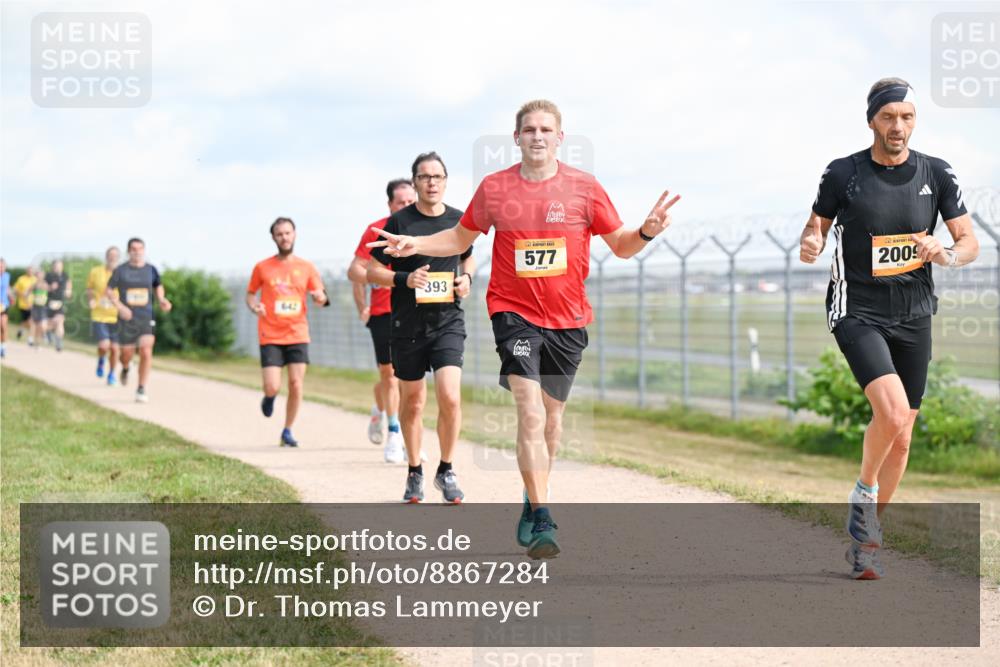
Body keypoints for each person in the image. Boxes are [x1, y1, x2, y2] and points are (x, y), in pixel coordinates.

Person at [370, 101, 678, 551]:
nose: (537, 136)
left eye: (546, 129)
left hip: (568, 320)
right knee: (530, 411)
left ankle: (532, 499)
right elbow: (460, 237)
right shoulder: (496, 189)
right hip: (513, 313)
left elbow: (622, 246)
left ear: (560, 138)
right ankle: (545, 515)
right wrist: (414, 240)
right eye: (529, 129)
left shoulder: (585, 189)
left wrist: (646, 231)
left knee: (552, 421)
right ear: (516, 138)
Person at [801, 77, 980, 579]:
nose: (897, 126)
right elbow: (814, 227)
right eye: (888, 117)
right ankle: (864, 487)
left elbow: (968, 241)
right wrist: (809, 244)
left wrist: (946, 253)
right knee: (894, 413)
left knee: (902, 437)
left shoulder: (937, 173)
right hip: (857, 310)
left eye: (906, 117)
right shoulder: (844, 174)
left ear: (914, 121)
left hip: (914, 313)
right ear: (871, 121)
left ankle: (866, 540)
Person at [368, 152, 475, 503]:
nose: (431, 182)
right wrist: (405, 277)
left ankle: (446, 468)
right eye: (424, 177)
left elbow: (467, 255)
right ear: (414, 182)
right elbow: (372, 272)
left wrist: (468, 278)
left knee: (450, 396)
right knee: (413, 403)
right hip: (407, 324)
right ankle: (415, 470)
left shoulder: (460, 219)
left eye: (438, 176)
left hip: (447, 320)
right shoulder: (399, 222)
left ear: (445, 181)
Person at [246, 217, 330, 447]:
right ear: (274, 237)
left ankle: (287, 430)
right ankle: (270, 396)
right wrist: (255, 306)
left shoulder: (307, 267)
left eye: (288, 233)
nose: (284, 237)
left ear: (294, 234)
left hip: (297, 333)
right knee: (273, 385)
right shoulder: (262, 267)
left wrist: (320, 297)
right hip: (270, 333)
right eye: (280, 234)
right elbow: (251, 294)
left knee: (295, 384)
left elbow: (322, 296)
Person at [348, 178, 415, 461]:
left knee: (406, 378)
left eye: (410, 201)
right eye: (401, 202)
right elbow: (354, 271)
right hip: (383, 312)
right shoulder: (377, 230)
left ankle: (386, 415)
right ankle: (394, 433)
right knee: (389, 375)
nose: (406, 207)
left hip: (415, 310)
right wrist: (386, 278)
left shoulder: (426, 230)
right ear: (390, 205)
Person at [108, 238, 172, 403]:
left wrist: (162, 299)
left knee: (145, 350)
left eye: (140, 249)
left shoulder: (151, 270)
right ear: (128, 251)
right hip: (126, 318)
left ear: (144, 251)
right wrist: (120, 307)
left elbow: (158, 285)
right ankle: (126, 367)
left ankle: (141, 387)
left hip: (146, 317)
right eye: (134, 249)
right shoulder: (120, 270)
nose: (137, 252)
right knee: (126, 353)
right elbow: (109, 291)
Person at [87, 247, 121, 384]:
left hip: (117, 316)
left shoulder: (123, 273)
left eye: (115, 256)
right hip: (99, 315)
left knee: (114, 348)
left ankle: (112, 373)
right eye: (110, 255)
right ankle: (101, 359)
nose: (112, 258)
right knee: (104, 346)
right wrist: (91, 299)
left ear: (118, 258)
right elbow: (89, 288)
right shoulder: (95, 271)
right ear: (106, 256)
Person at [44, 259, 72, 352]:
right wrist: (49, 287)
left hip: (59, 303)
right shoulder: (48, 276)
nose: (57, 268)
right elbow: (42, 286)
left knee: (60, 321)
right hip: (48, 303)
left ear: (62, 266)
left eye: (59, 266)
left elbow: (69, 283)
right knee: (48, 323)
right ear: (52, 267)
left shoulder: (65, 275)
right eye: (55, 266)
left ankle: (58, 342)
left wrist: (68, 291)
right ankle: (48, 333)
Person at [12, 266, 37, 344]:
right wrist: (22, 294)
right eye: (29, 270)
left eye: (31, 271)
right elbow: (15, 289)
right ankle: (22, 330)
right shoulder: (21, 279)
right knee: (27, 320)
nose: (30, 272)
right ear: (26, 271)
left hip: (32, 304)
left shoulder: (35, 279)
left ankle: (30, 339)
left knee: (30, 321)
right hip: (23, 304)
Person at [29, 268, 49, 349]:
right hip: (35, 306)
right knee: (34, 324)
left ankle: (44, 335)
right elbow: (27, 293)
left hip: (43, 307)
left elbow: (49, 292)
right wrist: (28, 302)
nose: (39, 276)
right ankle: (34, 341)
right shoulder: (34, 285)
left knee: (42, 325)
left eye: (40, 274)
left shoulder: (45, 285)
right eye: (37, 274)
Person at [0, 258, 9, 358]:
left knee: (3, 325)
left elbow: (6, 289)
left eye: (2, 266)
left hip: (4, 305)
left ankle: (3, 347)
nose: (1, 268)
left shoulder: (7, 276)